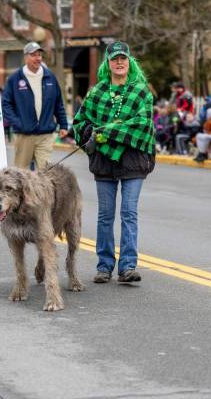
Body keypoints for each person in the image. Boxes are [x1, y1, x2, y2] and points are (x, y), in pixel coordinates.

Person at [73, 41, 155, 284]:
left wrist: (104, 131)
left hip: (134, 158)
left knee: (129, 213)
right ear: (107, 64)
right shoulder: (96, 93)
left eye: (123, 58)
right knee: (105, 215)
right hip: (104, 161)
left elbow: (141, 125)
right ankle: (104, 266)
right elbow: (79, 124)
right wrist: (89, 130)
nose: (119, 62)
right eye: (114, 59)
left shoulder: (141, 91)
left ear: (130, 62)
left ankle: (128, 266)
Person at [2, 41, 68, 169]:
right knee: (22, 175)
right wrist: (17, 123)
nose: (38, 58)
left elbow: (58, 103)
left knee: (46, 174)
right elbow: (6, 104)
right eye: (33, 55)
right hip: (24, 135)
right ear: (26, 58)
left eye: (39, 55)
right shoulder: (15, 79)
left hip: (45, 135)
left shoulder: (50, 77)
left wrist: (63, 125)